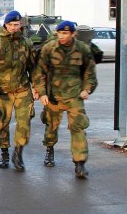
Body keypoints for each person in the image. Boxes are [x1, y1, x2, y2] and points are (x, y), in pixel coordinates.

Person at [32, 20, 98, 179]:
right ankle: (49, 149)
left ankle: (80, 163)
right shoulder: (49, 48)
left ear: (73, 34)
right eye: (60, 33)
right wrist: (42, 93)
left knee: (78, 128)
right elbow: (39, 72)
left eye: (66, 33)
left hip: (74, 96)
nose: (62, 36)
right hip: (54, 95)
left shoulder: (82, 49)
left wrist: (87, 89)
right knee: (51, 128)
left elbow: (90, 73)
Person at [0, 10, 38, 171]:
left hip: (22, 89)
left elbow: (33, 68)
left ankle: (18, 153)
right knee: (2, 122)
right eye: (11, 25)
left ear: (21, 25)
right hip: (2, 90)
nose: (14, 27)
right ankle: (4, 152)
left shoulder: (27, 43)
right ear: (6, 25)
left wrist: (37, 88)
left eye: (17, 25)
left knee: (24, 122)